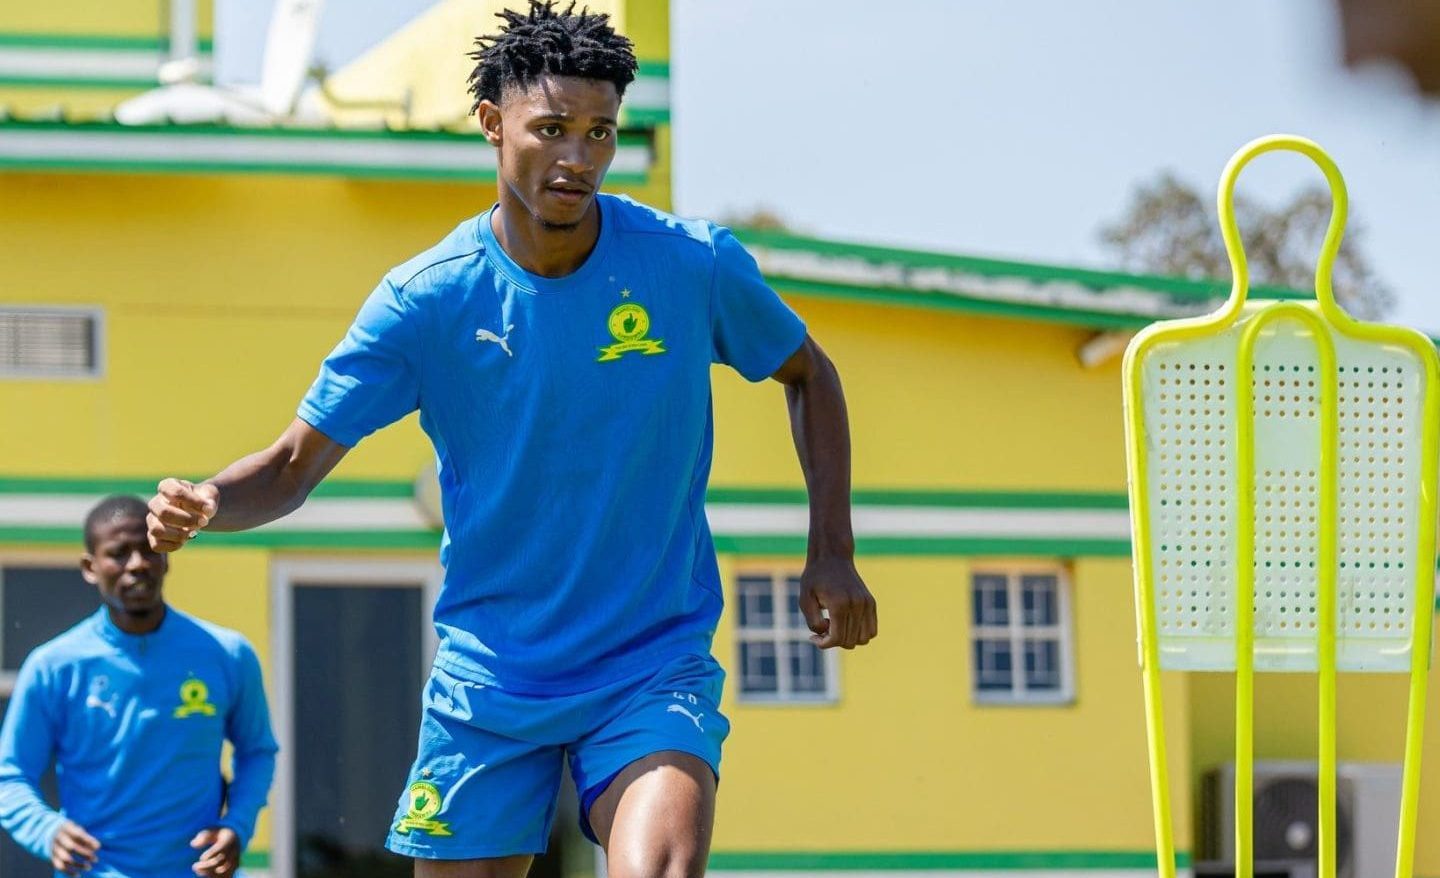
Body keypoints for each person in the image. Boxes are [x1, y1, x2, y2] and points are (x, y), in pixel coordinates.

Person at [145, 2, 876, 876]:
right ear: (493, 123)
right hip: (491, 679)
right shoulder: (428, 300)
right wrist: (209, 500)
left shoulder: (691, 264)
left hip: (650, 662)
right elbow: (292, 465)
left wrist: (832, 549)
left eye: (600, 133)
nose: (579, 158)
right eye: (552, 129)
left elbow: (809, 373)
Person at [0, 495, 277, 877]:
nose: (137, 564)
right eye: (118, 553)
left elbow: (257, 751)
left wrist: (238, 826)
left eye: (149, 550)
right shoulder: (54, 667)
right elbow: (10, 776)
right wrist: (47, 831)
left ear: (167, 558)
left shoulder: (227, 654)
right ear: (90, 567)